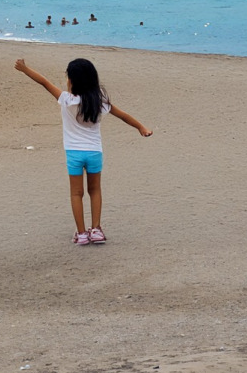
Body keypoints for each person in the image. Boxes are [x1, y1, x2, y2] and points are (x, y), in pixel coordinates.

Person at [14, 57, 152, 245]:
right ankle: (96, 230)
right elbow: (122, 116)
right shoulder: (99, 101)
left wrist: (24, 68)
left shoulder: (66, 100)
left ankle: (81, 234)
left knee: (76, 193)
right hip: (94, 153)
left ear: (72, 81)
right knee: (94, 190)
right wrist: (141, 127)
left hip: (74, 154)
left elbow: (44, 82)